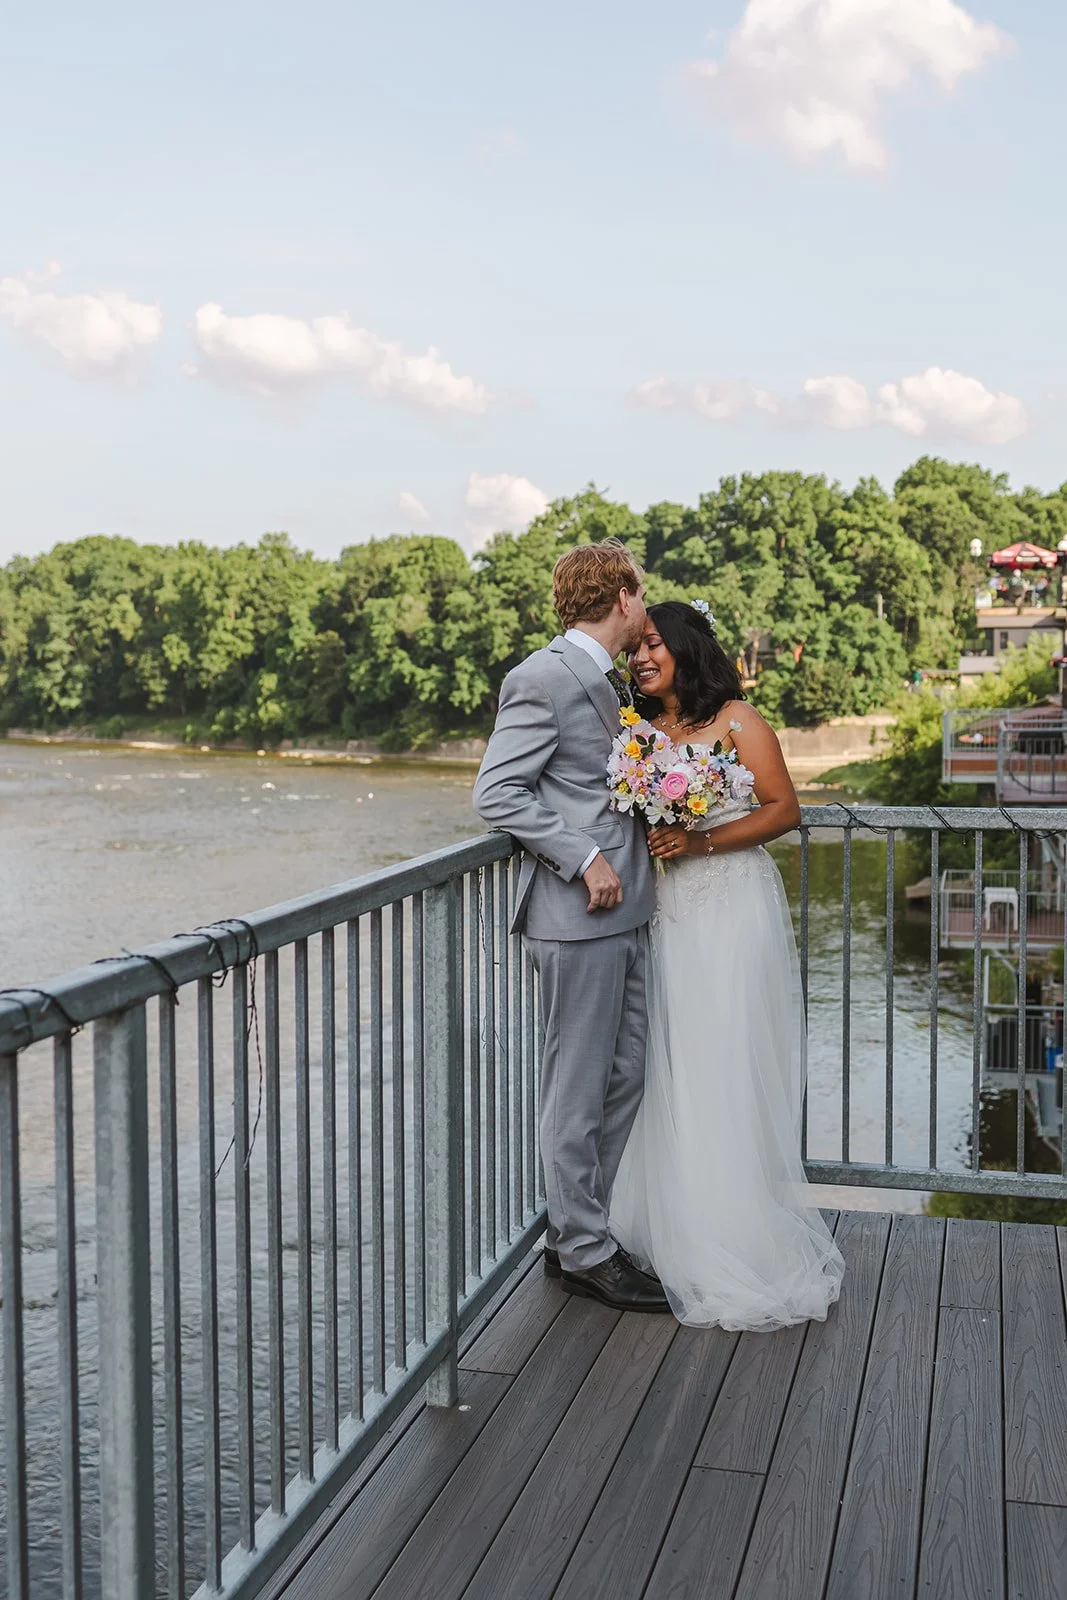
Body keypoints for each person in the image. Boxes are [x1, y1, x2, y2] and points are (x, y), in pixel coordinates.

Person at [609, 601, 845, 1330]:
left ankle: (733, 1230)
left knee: (723, 1060)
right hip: (665, 914)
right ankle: (665, 1224)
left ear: (684, 647)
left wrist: (702, 842)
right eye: (633, 648)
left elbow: (783, 810)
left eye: (651, 645)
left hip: (728, 907)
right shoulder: (636, 733)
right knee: (667, 1060)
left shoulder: (738, 720)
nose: (640, 657)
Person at [473, 542, 669, 1312]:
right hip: (574, 914)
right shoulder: (541, 676)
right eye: (641, 589)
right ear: (622, 595)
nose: (644, 601)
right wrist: (582, 855)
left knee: (626, 1075)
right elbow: (498, 792)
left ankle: (578, 1230)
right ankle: (583, 1251)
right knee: (575, 1087)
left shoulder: (607, 678)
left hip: (626, 913)